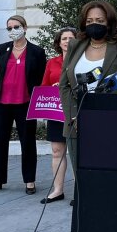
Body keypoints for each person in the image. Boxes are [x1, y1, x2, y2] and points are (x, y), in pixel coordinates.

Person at [59, 2, 117, 168]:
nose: (94, 24)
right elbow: (64, 85)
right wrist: (75, 116)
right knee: (81, 179)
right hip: (77, 124)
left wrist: (95, 112)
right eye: (89, 21)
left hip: (111, 122)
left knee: (107, 175)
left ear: (109, 22)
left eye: (99, 20)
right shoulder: (74, 45)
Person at [0, 15, 47, 194]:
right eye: (9, 28)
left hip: (25, 103)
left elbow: (40, 77)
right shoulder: (3, 48)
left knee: (28, 141)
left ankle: (30, 180)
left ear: (25, 28)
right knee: (0, 140)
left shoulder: (37, 52)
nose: (13, 31)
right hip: (2, 102)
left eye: (16, 27)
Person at [38, 26, 77, 204]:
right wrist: (52, 87)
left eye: (71, 38)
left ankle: (80, 191)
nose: (68, 41)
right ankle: (58, 190)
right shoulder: (52, 62)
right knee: (56, 151)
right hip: (56, 110)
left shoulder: (82, 60)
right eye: (64, 39)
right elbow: (44, 86)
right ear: (58, 42)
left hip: (76, 111)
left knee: (78, 153)